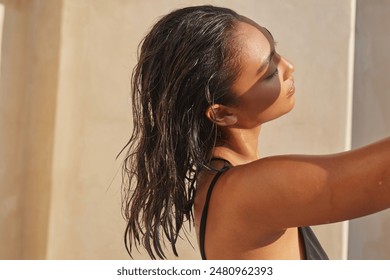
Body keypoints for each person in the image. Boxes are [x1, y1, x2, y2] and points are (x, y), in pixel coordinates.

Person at [121, 5, 390, 260]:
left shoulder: (222, 183)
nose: (288, 67)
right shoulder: (250, 191)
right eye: (270, 73)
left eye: (276, 52)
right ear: (223, 113)